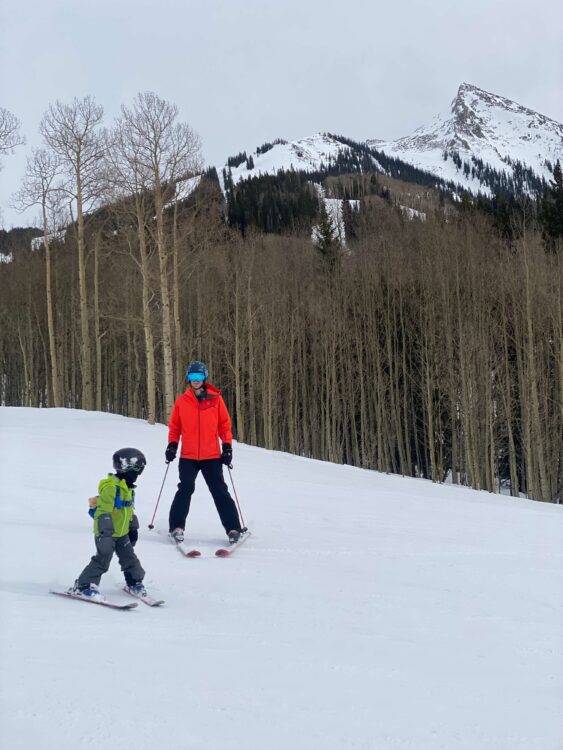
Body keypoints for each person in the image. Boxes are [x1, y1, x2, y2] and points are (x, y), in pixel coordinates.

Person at [166, 360, 242, 544]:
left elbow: (224, 425)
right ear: (188, 378)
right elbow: (175, 426)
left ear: (205, 377)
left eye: (199, 376)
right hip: (188, 456)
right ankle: (176, 527)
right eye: (192, 376)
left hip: (211, 456)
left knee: (219, 491)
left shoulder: (215, 399)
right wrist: (172, 445)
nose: (196, 380)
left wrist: (227, 446)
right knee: (185, 488)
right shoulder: (182, 401)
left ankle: (233, 529)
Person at [70, 448, 148, 600]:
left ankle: (134, 582)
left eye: (141, 470)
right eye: (137, 469)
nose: (139, 474)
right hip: (106, 533)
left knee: (129, 559)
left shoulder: (129, 489)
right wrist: (105, 535)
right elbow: (103, 512)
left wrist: (132, 528)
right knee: (103, 559)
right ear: (126, 468)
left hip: (121, 533)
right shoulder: (111, 488)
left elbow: (129, 510)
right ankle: (83, 585)